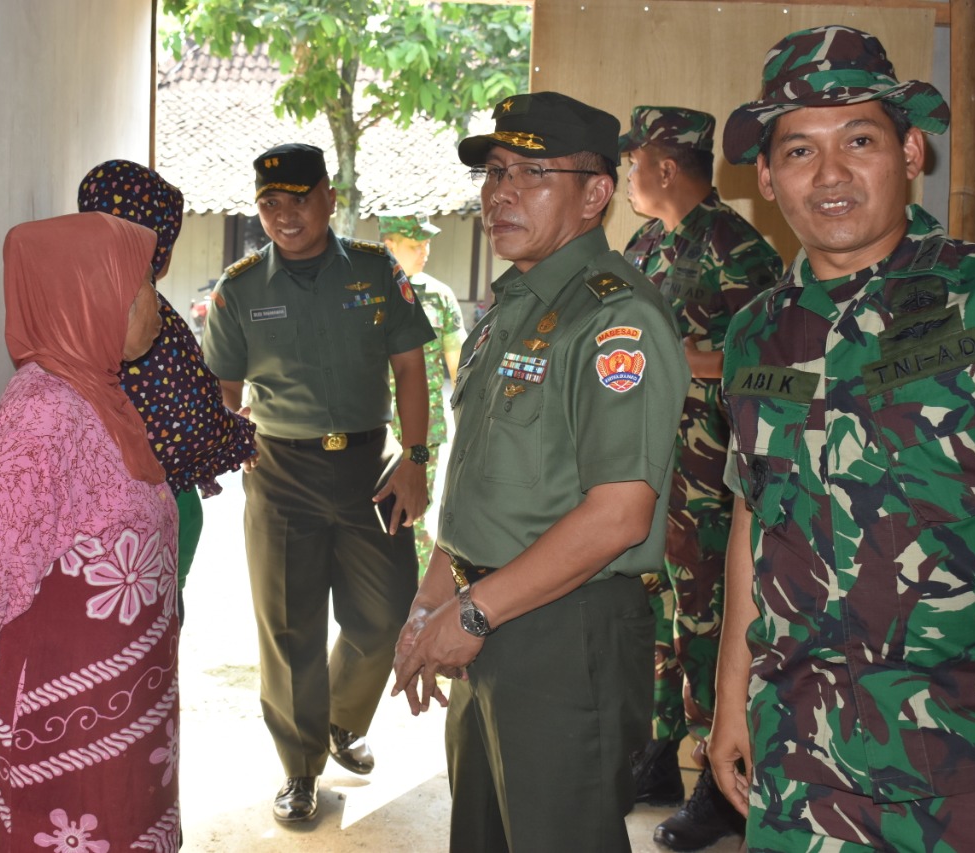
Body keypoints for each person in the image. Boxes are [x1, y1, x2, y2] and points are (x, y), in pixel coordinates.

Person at [708, 24, 975, 852]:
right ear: (766, 178)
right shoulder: (754, 333)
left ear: (912, 154)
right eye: (799, 151)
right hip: (802, 756)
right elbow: (752, 516)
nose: (831, 173)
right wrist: (730, 696)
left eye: (861, 140)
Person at [391, 91, 689, 852]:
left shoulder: (615, 318)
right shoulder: (512, 304)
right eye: (494, 172)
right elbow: (490, 471)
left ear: (596, 194)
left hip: (565, 629)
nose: (501, 192)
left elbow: (621, 512)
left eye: (532, 171)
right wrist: (437, 590)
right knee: (484, 836)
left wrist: (477, 609)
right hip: (488, 609)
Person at [201, 142, 434, 823]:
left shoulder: (374, 271)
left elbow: (412, 372)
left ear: (329, 197)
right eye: (269, 203)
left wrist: (415, 459)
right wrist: (232, 434)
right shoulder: (240, 288)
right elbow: (223, 383)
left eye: (298, 199)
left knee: (388, 611)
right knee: (288, 624)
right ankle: (301, 769)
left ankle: (337, 717)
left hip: (371, 468)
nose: (283, 215)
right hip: (280, 472)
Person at [0, 212, 180, 851]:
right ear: (90, 295)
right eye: (144, 287)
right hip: (68, 730)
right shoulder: (45, 415)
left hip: (127, 722)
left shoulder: (99, 391)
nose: (158, 303)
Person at [619, 106, 781, 850]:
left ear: (664, 166)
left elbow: (773, 365)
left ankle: (722, 788)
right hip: (650, 471)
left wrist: (687, 361)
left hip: (713, 475)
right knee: (659, 613)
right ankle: (657, 760)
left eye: (633, 161)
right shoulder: (647, 243)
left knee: (712, 625)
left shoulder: (737, 248)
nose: (626, 174)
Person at [78, 159, 257, 624]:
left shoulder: (78, 302)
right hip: (149, 516)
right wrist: (234, 431)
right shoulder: (142, 320)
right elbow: (186, 421)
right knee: (148, 636)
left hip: (117, 523)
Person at [380, 212, 466, 576]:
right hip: (377, 432)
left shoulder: (439, 296)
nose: (425, 251)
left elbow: (459, 362)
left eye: (427, 242)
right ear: (389, 245)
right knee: (373, 517)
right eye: (416, 244)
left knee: (413, 514)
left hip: (425, 432)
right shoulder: (367, 292)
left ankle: (413, 595)